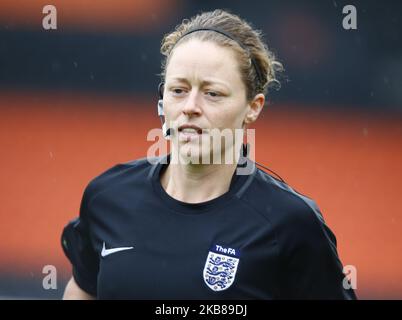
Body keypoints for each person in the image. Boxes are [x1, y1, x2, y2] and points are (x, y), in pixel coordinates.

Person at [61, 9, 356, 300]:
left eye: (212, 93)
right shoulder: (108, 197)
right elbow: (84, 290)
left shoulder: (290, 223)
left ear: (253, 107)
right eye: (178, 90)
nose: (190, 106)